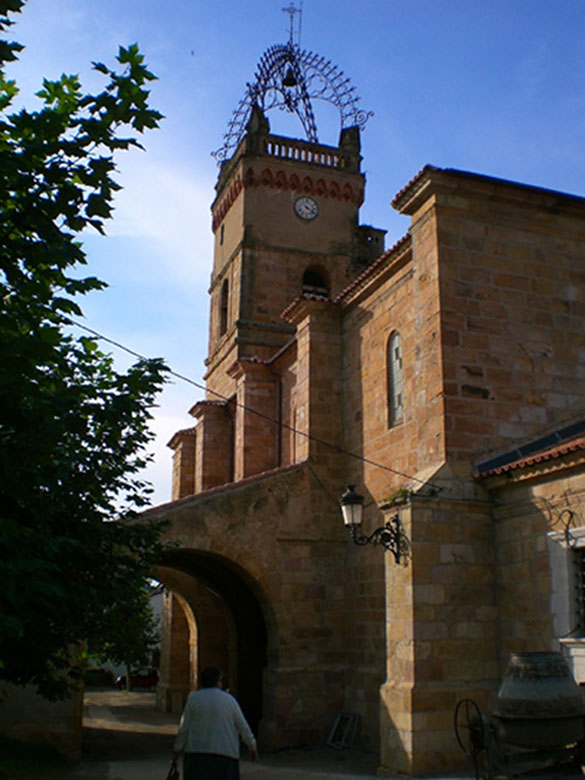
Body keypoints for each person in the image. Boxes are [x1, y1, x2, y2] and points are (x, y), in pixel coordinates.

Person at [173, 665, 258, 780]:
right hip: (225, 755)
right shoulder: (229, 701)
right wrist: (251, 745)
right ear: (219, 681)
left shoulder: (193, 700)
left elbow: (184, 728)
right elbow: (243, 726)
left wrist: (177, 750)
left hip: (196, 754)